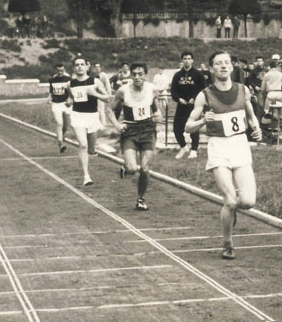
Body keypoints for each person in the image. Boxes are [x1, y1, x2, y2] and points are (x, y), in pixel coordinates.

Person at [186, 51, 262, 257]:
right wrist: (203, 120)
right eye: (218, 64)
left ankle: (232, 211)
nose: (223, 66)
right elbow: (188, 126)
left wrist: (256, 128)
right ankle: (227, 242)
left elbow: (251, 115)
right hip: (218, 147)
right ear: (211, 69)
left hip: (240, 145)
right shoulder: (205, 95)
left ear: (232, 67)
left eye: (227, 63)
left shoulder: (242, 90)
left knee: (247, 202)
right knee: (229, 200)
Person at [109, 62, 161, 211]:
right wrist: (117, 126)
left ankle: (141, 199)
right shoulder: (122, 91)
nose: (137, 77)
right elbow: (109, 110)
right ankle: (126, 168)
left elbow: (155, 107)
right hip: (130, 131)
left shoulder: (152, 89)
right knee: (132, 169)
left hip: (148, 131)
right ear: (130, 75)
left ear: (145, 75)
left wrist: (158, 115)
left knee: (144, 169)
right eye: (134, 74)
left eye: (140, 74)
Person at [65, 57, 109, 186]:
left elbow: (107, 98)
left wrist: (95, 94)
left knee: (90, 148)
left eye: (82, 64)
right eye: (77, 65)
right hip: (78, 116)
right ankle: (86, 176)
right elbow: (71, 98)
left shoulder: (95, 81)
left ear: (87, 67)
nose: (79, 67)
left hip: (92, 117)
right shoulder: (70, 84)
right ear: (74, 67)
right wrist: (69, 102)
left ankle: (91, 151)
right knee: (82, 145)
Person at [170, 52, 206, 160]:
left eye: (189, 58)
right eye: (184, 58)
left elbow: (204, 89)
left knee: (194, 128)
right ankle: (184, 147)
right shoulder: (177, 75)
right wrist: (179, 99)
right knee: (177, 128)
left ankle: (194, 150)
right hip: (182, 106)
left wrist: (195, 98)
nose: (186, 60)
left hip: (194, 106)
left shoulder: (198, 74)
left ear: (192, 60)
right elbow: (173, 91)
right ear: (182, 60)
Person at [48, 62, 72, 152]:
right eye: (58, 71)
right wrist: (49, 98)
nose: (60, 72)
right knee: (59, 123)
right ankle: (61, 144)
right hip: (56, 104)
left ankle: (62, 135)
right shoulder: (52, 80)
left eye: (62, 70)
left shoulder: (68, 79)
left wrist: (70, 99)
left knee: (66, 125)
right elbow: (51, 92)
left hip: (65, 104)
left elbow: (71, 92)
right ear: (56, 71)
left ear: (64, 70)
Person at [262, 55, 282, 127]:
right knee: (280, 110)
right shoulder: (281, 74)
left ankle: (269, 122)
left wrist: (264, 93)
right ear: (276, 66)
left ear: (270, 66)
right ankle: (280, 121)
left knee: (267, 110)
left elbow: (262, 87)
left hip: (270, 93)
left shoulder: (267, 75)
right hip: (279, 93)